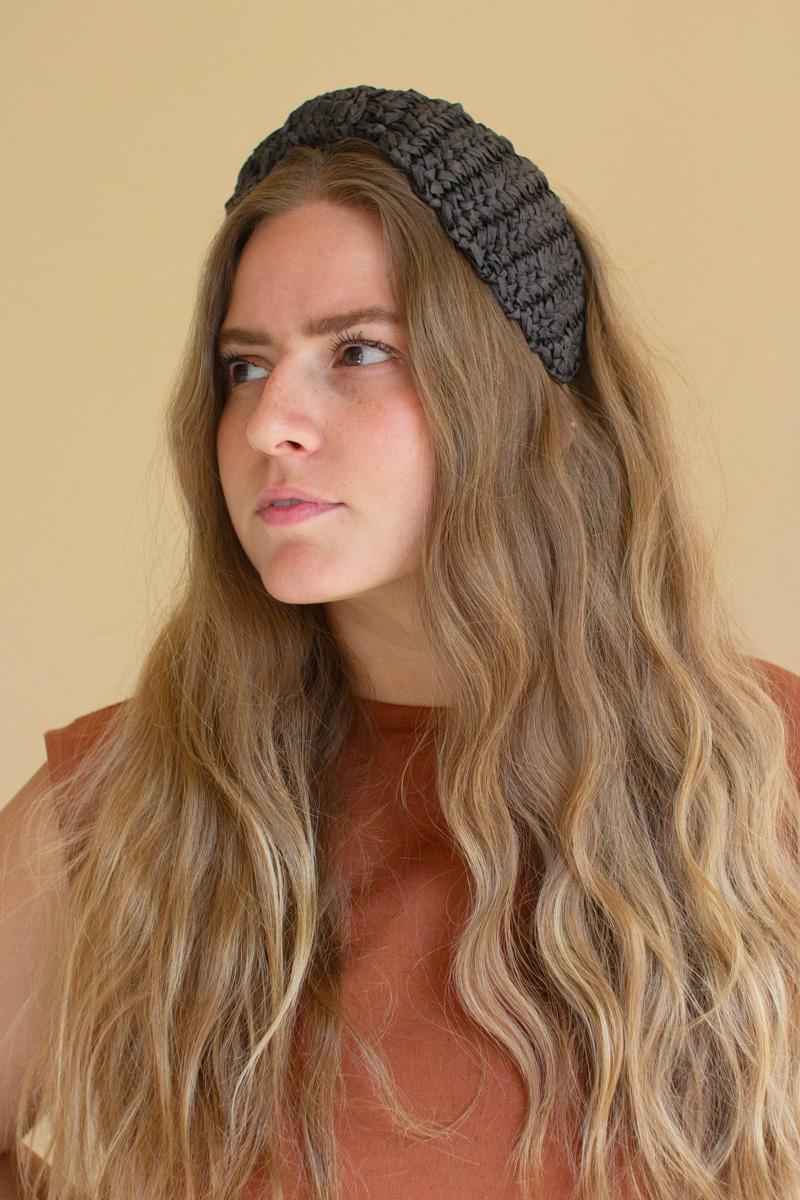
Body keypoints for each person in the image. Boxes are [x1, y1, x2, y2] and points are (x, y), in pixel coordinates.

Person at [2, 84, 799, 1200]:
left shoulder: (758, 767)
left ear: (510, 391)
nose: (270, 422)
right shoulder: (119, 802)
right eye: (244, 366)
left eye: (358, 351)